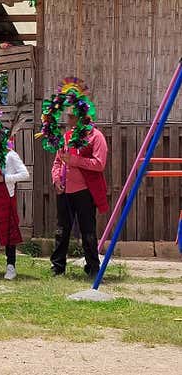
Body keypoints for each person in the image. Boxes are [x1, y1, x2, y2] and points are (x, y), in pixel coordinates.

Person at [50, 106, 108, 278]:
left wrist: (74, 160)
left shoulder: (96, 137)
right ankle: (58, 266)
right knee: (62, 229)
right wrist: (56, 180)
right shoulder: (67, 136)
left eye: (71, 117)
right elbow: (57, 162)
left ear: (81, 118)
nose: (68, 121)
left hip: (84, 191)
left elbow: (99, 164)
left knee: (87, 231)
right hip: (65, 191)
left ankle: (92, 267)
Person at [0, 144, 30, 280]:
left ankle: (11, 265)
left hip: (6, 198)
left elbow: (25, 174)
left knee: (9, 231)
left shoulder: (11, 155)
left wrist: (4, 178)